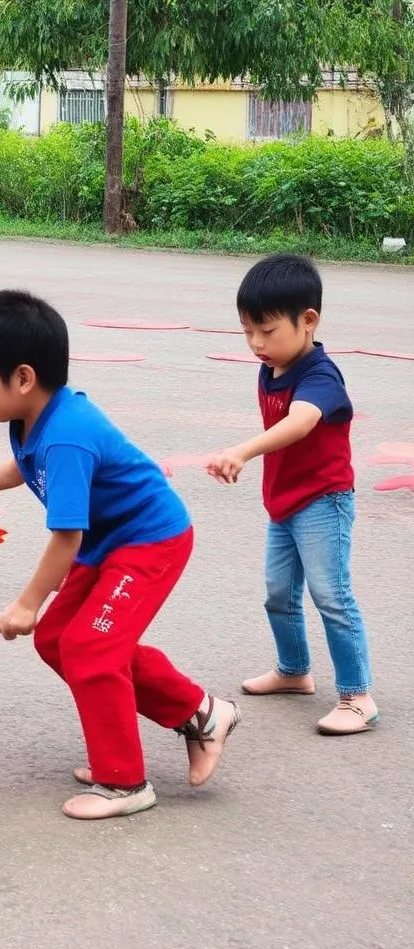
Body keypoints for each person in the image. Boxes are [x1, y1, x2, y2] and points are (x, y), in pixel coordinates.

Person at [0, 289, 239, 820]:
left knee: (91, 646)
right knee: (61, 641)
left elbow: (66, 537)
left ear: (23, 378)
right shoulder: (33, 420)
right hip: (110, 541)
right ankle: (200, 713)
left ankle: (124, 782)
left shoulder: (67, 436)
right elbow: (21, 469)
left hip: (149, 542)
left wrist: (24, 605)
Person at [206, 254, 376, 736]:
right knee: (278, 595)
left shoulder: (321, 375)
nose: (257, 344)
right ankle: (294, 670)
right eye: (247, 332)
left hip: (324, 501)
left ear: (308, 321)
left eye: (267, 331)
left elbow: (301, 421)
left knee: (331, 596)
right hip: (283, 503)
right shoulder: (274, 366)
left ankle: (357, 696)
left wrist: (242, 450)